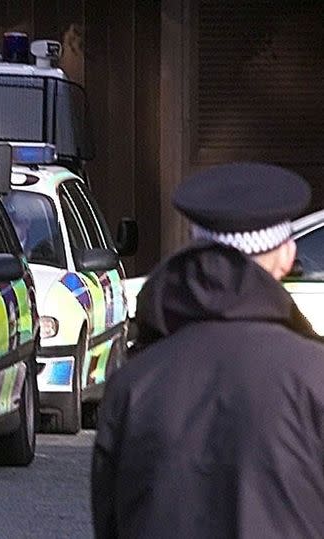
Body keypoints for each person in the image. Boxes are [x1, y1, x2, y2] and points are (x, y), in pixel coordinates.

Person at [91, 162, 324, 538]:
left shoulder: (133, 383)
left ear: (196, 247)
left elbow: (110, 521)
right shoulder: (314, 375)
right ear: (285, 256)